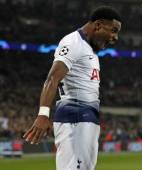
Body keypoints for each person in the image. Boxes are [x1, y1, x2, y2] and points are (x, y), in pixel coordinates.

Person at [23, 6, 121, 170]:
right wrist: (43, 114)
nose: (115, 37)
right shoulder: (73, 43)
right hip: (74, 119)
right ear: (98, 25)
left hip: (86, 119)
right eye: (113, 31)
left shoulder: (89, 49)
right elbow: (52, 78)